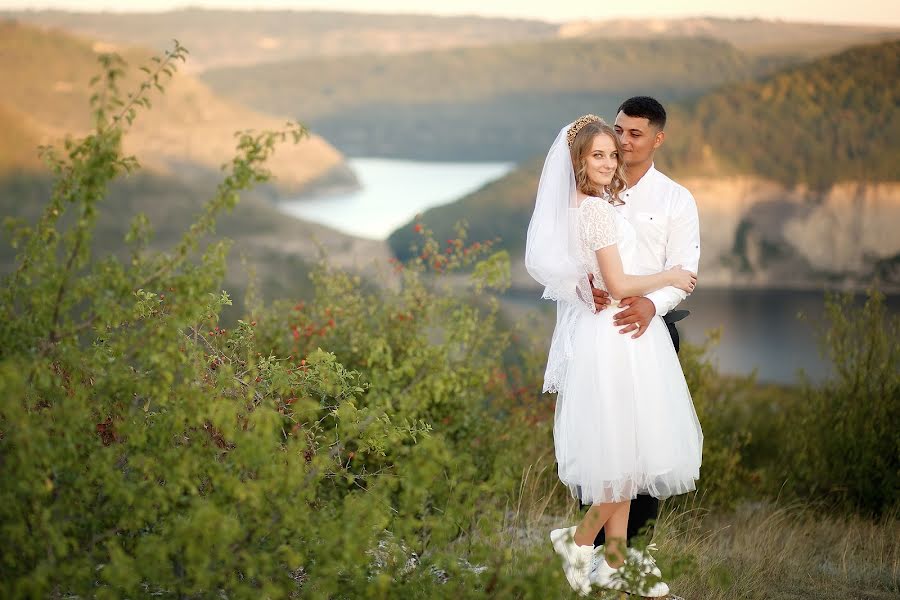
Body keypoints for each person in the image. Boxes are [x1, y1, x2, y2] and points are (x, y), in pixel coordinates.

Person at [525, 114, 703, 597]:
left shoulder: (588, 203)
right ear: (579, 161)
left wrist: (595, 284)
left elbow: (593, 275)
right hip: (617, 335)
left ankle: (616, 563)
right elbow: (620, 284)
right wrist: (669, 278)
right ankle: (577, 542)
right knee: (623, 455)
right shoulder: (597, 210)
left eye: (610, 153)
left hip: (614, 332)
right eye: (597, 155)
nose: (608, 161)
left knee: (624, 454)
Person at [591, 96, 702, 554]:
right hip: (599, 333)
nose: (623, 140)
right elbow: (571, 260)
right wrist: (587, 288)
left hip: (651, 333)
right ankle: (596, 553)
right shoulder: (593, 190)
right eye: (619, 129)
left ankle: (632, 554)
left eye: (635, 133)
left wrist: (652, 306)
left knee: (648, 445)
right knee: (603, 442)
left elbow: (686, 269)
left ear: (658, 138)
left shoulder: (676, 198)